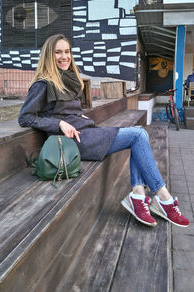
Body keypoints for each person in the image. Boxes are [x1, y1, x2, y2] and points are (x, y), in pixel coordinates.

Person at [18, 34, 189, 228]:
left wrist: (76, 116)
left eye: (67, 51)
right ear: (49, 55)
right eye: (58, 52)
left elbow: (64, 109)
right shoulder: (42, 84)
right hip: (73, 142)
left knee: (138, 137)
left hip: (86, 132)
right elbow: (25, 117)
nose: (64, 56)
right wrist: (58, 124)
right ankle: (163, 199)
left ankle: (139, 196)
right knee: (138, 134)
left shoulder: (68, 79)